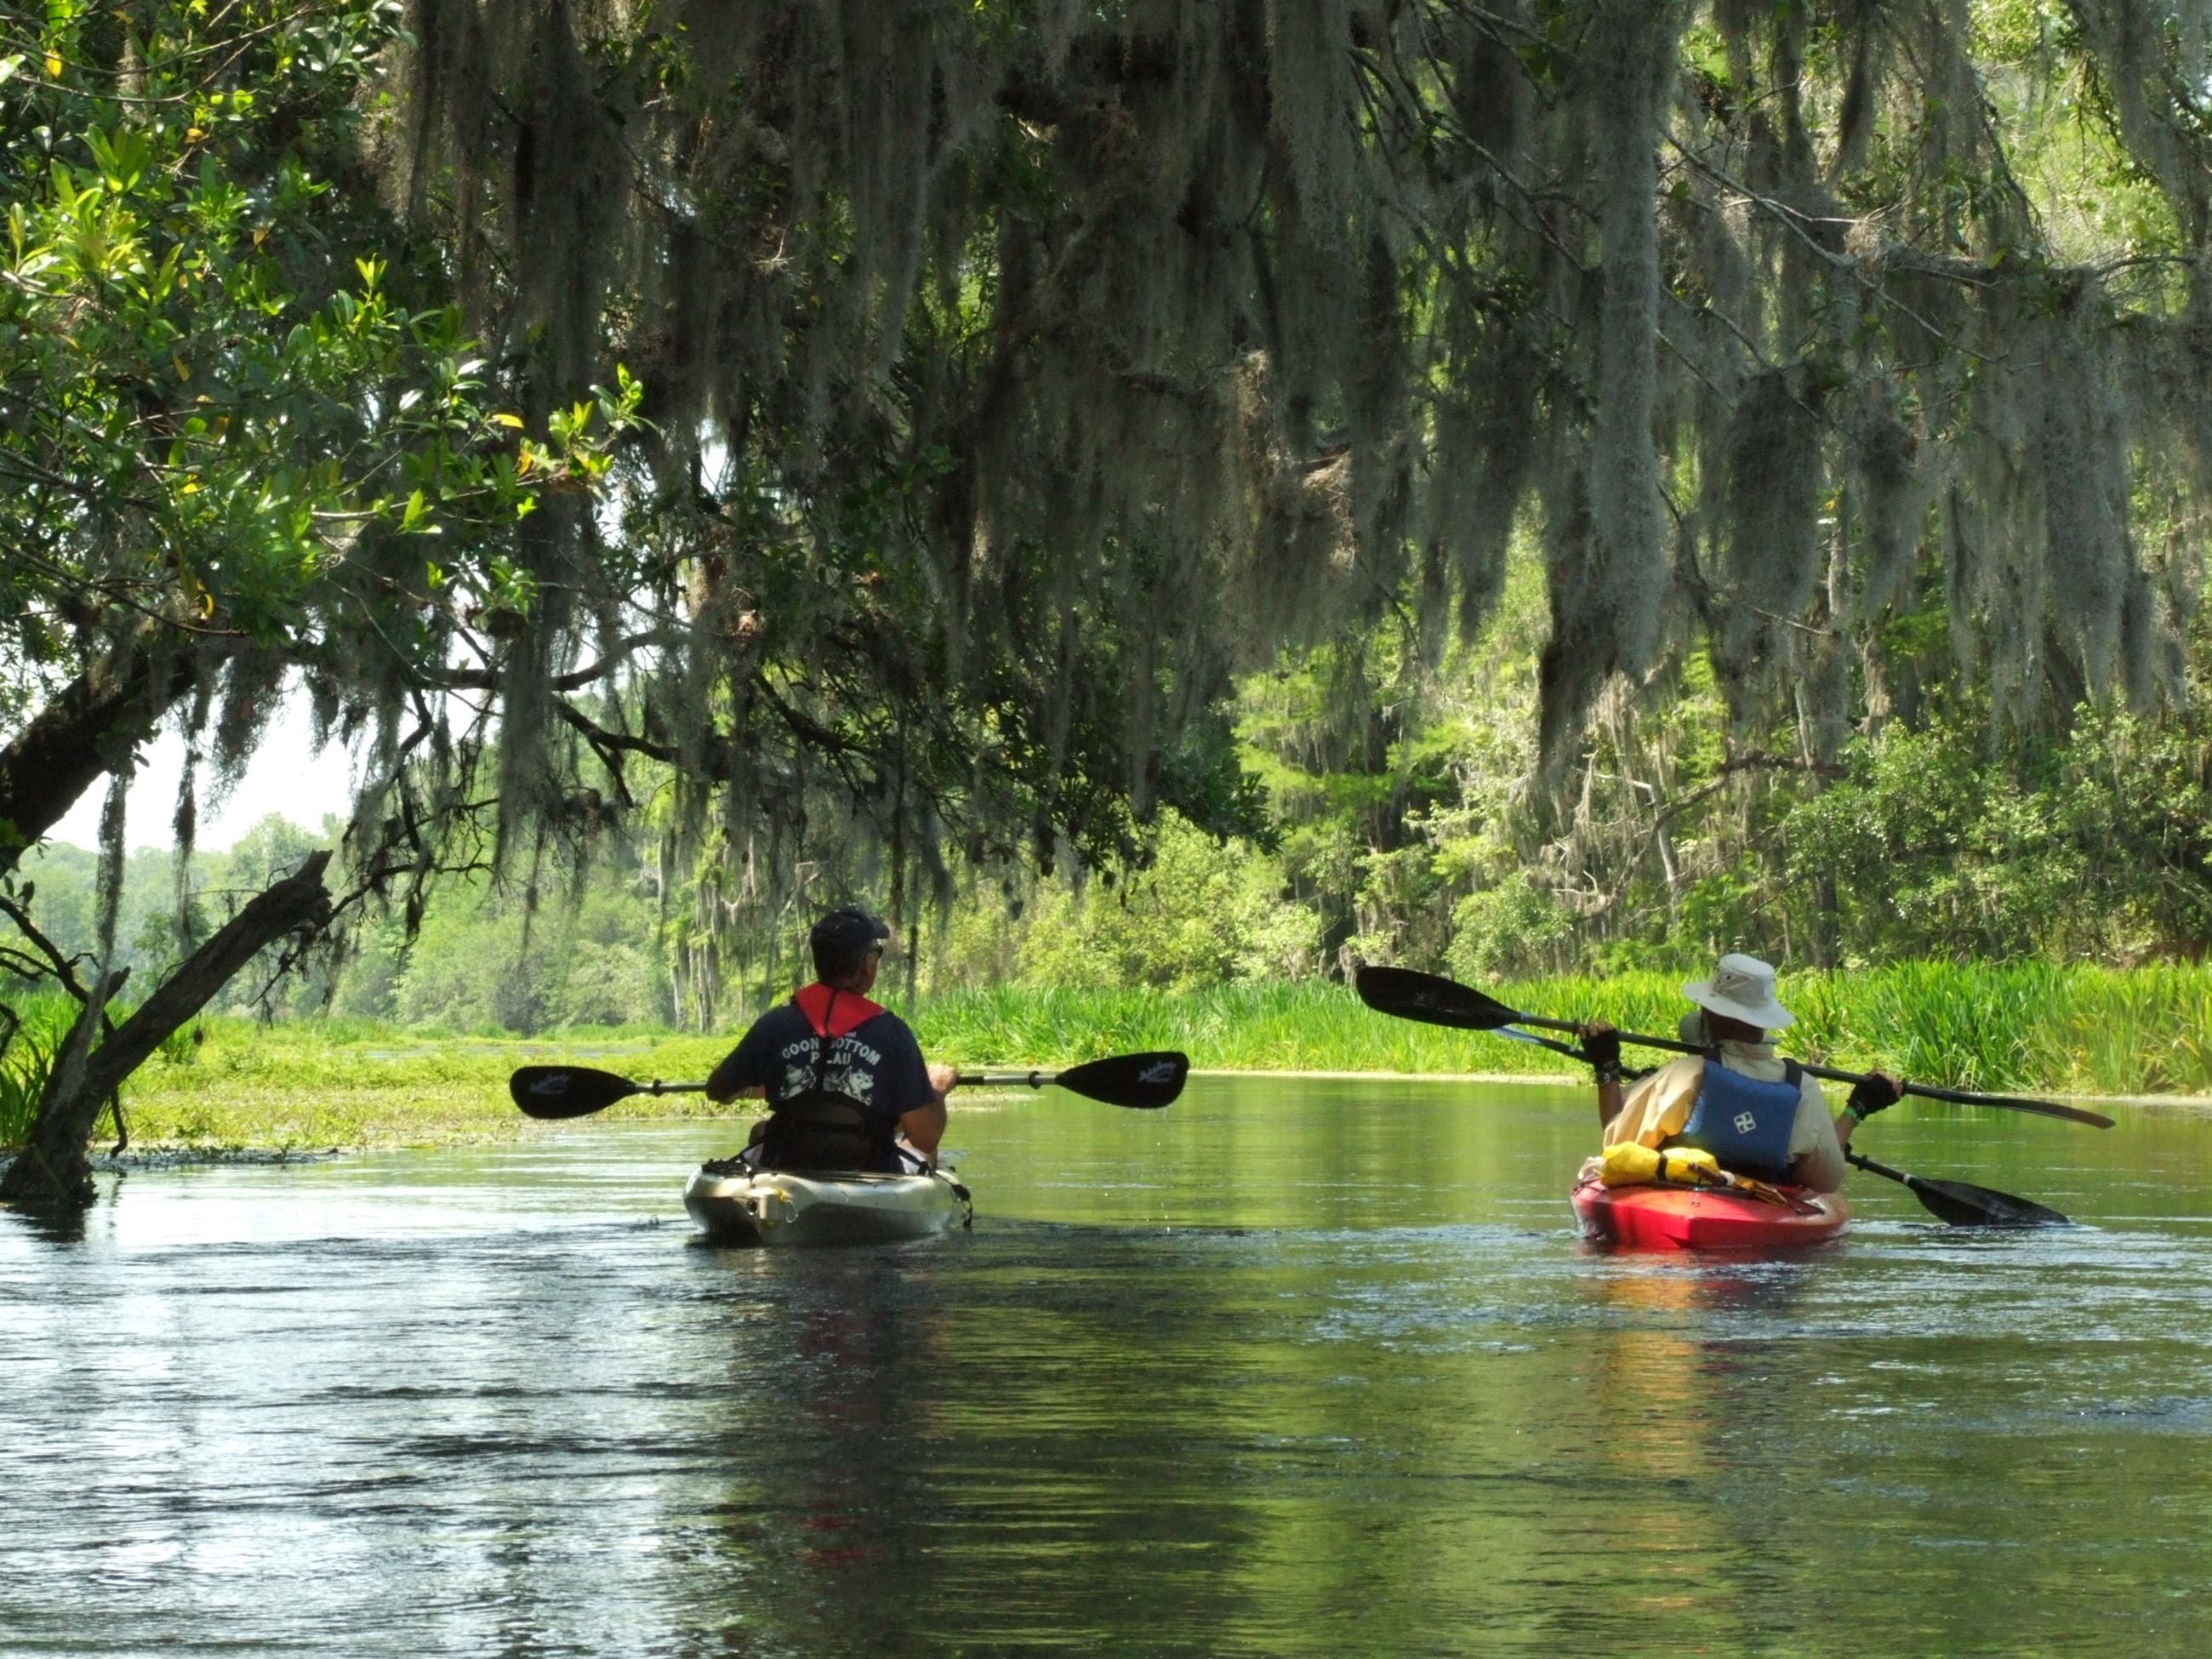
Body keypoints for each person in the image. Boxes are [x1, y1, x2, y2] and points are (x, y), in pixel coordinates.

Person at [1579, 952, 1901, 1194]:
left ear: (1710, 1011)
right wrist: (1857, 1108)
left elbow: (1617, 1142)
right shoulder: (1802, 1087)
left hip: (1678, 1200)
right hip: (1758, 1212)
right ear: (1763, 1020)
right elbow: (1824, 1179)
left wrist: (1606, 1068)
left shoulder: (1687, 1074)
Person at [704, 907, 957, 1172]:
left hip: (788, 1170)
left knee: (762, 1132)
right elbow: (926, 1137)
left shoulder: (774, 1024)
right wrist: (937, 1089)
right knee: (923, 1151)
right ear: (866, 964)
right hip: (870, 1173)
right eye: (876, 953)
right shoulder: (892, 1033)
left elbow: (717, 1090)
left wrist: (751, 1088)